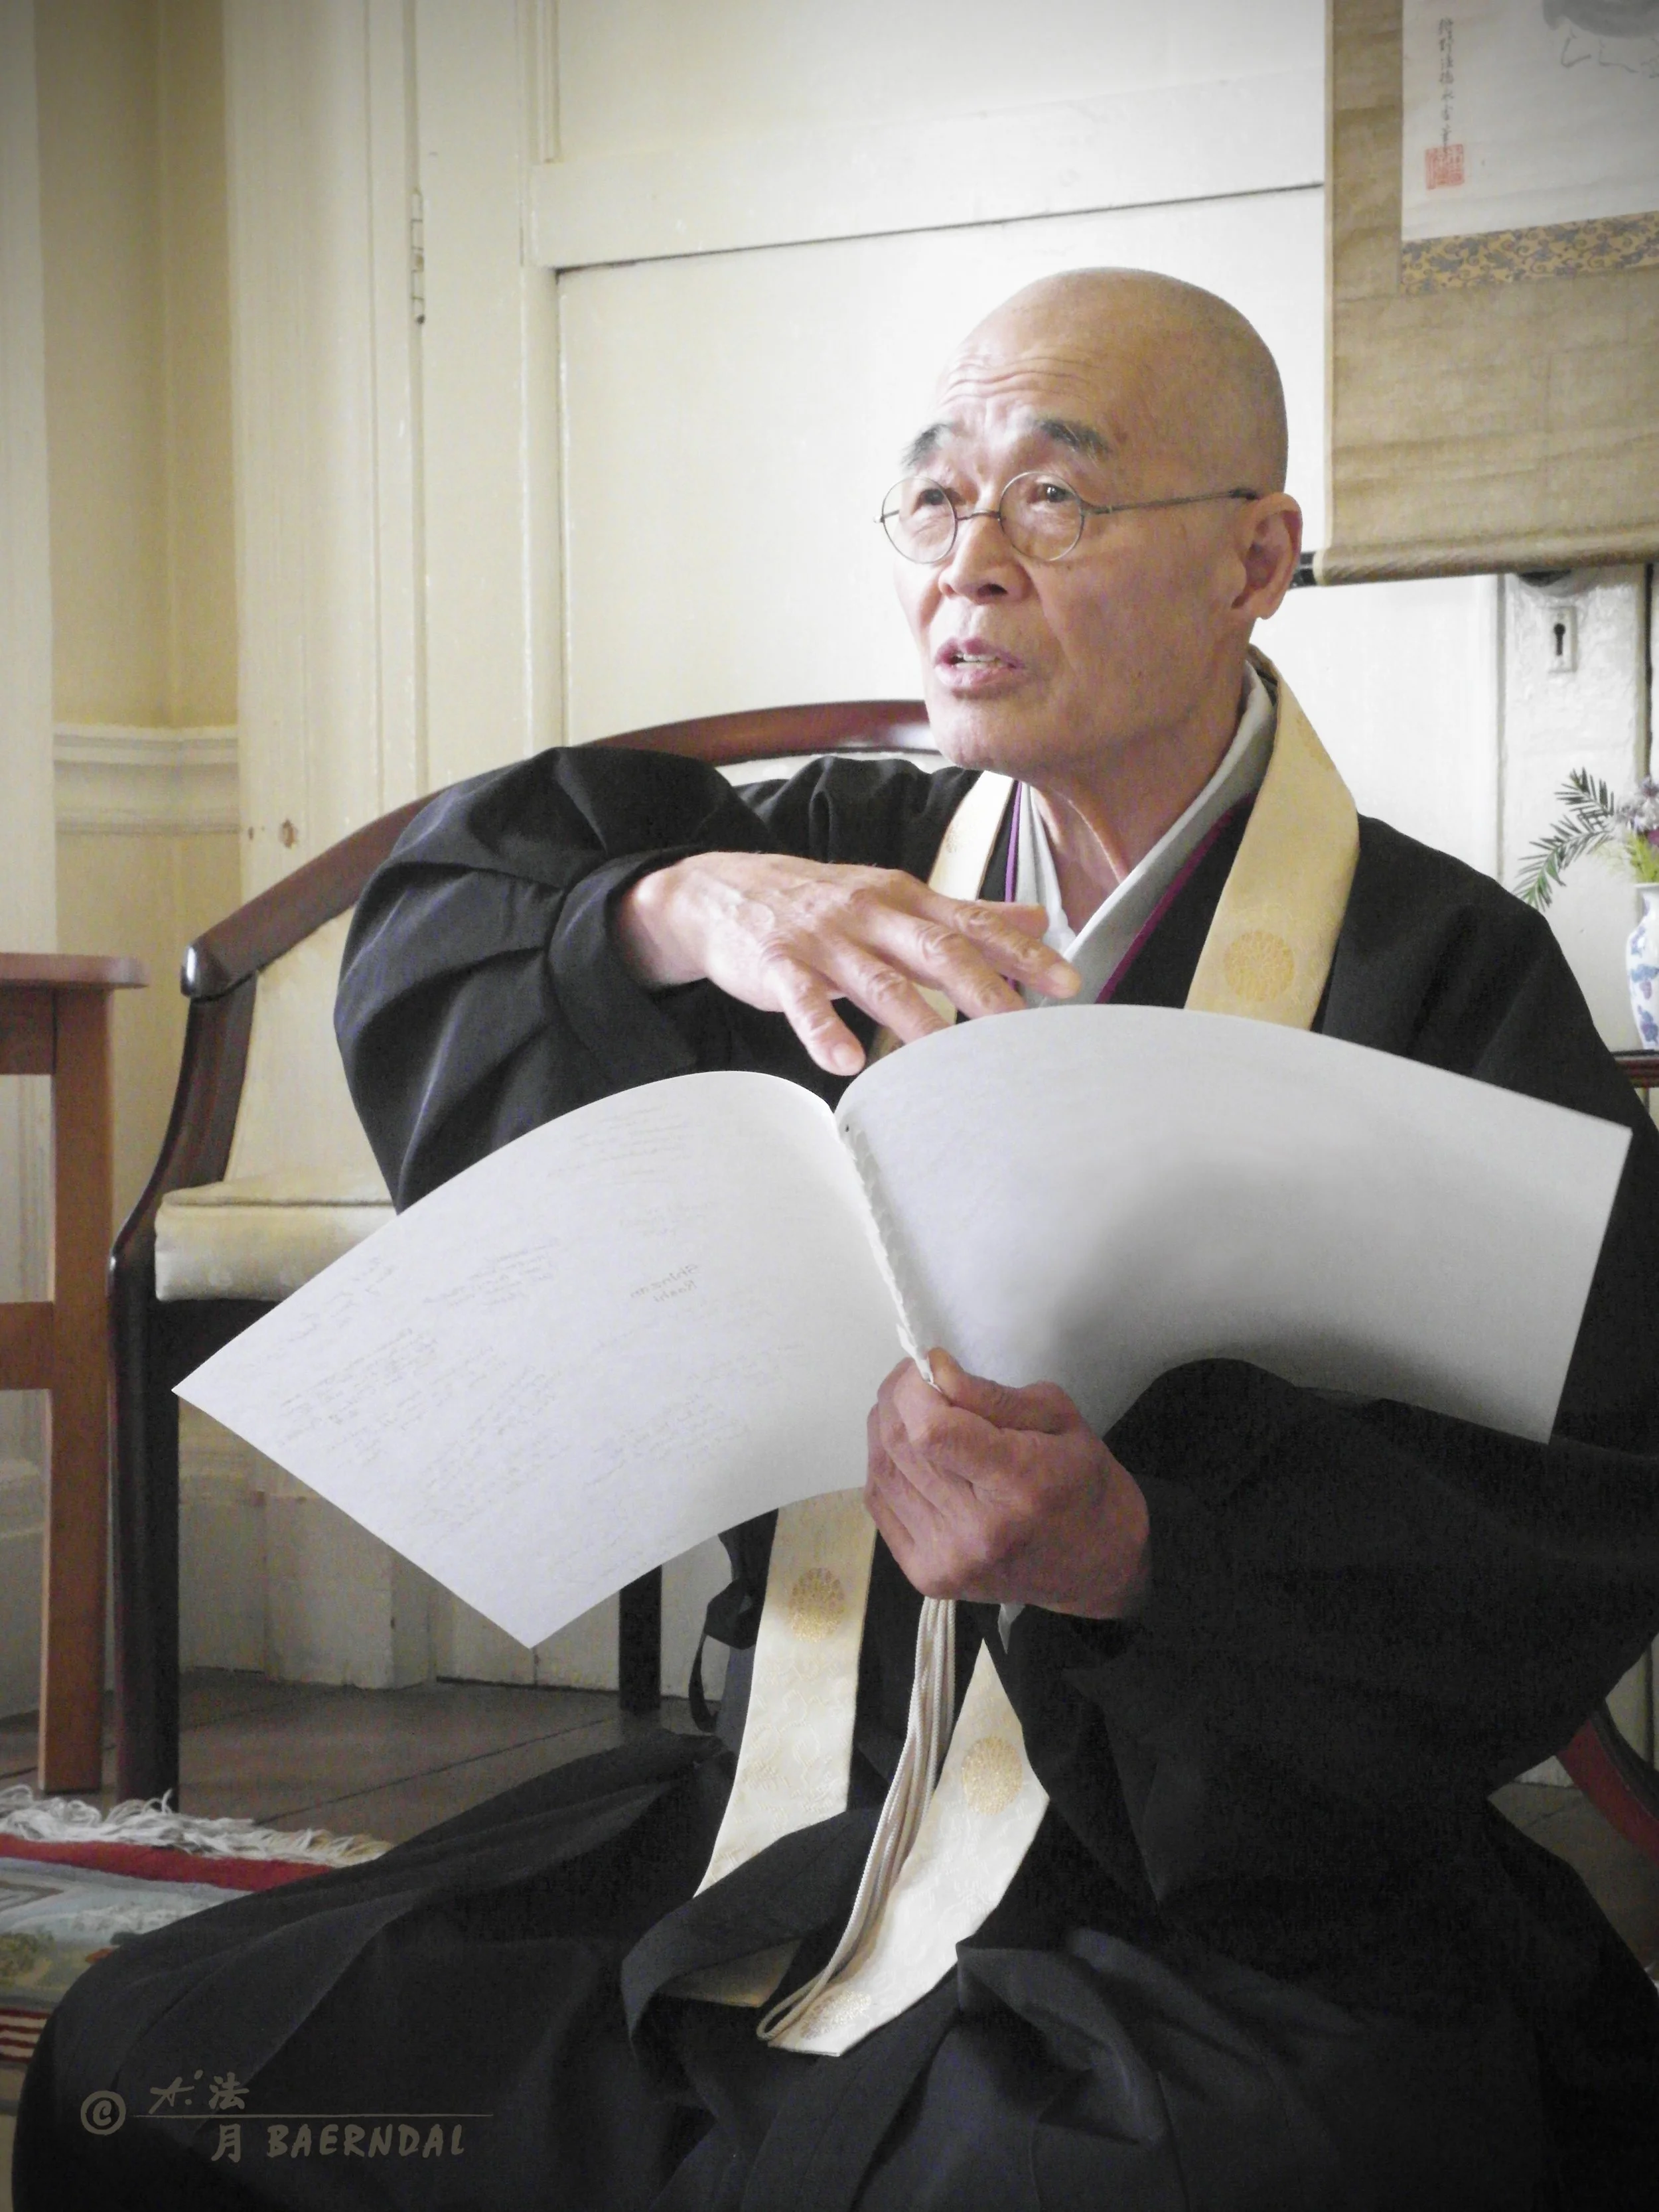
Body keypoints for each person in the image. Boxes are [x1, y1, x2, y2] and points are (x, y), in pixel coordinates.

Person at [17, 271, 1659, 2211]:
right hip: (787, 1799)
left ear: (1255, 556)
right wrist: (683, 906)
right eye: (930, 498)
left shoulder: (1435, 970)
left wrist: (1140, 1552)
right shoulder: (846, 869)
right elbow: (449, 909)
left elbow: (1554, 1525)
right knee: (157, 2067)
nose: (968, 566)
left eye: (1053, 498)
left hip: (1213, 1881)